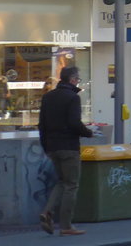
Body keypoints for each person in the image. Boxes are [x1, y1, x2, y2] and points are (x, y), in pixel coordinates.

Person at [38, 66, 95, 236]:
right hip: (69, 147)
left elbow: (42, 124)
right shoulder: (72, 98)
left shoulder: (48, 97)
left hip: (52, 147)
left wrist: (46, 147)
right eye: (77, 79)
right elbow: (74, 123)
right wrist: (89, 132)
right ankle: (66, 226)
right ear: (71, 80)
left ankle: (47, 211)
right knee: (71, 184)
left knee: (62, 181)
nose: (78, 82)